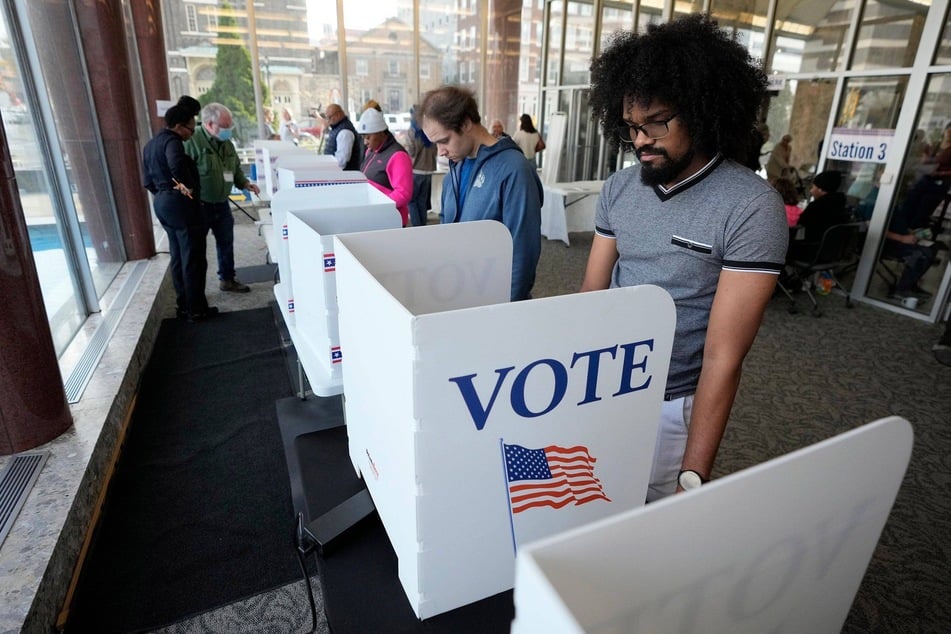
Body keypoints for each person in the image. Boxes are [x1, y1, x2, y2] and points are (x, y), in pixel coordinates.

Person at [581, 15, 788, 501]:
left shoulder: (751, 207)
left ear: (703, 110)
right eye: (632, 126)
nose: (641, 141)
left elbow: (723, 357)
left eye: (658, 123)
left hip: (673, 402)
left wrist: (693, 476)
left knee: (651, 527)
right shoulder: (619, 188)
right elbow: (591, 295)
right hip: (600, 385)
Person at [420, 85, 543, 301]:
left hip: (495, 302)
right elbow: (446, 225)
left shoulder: (514, 169)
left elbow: (523, 250)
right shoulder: (456, 167)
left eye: (444, 140)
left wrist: (506, 309)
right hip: (458, 294)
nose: (440, 151)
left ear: (466, 124)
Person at [142, 104, 216, 321]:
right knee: (193, 256)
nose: (191, 133)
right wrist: (187, 189)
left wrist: (165, 192)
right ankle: (197, 309)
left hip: (162, 203)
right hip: (180, 204)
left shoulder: (150, 145)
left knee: (178, 255)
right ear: (178, 126)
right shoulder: (172, 142)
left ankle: (183, 305)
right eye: (191, 129)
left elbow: (147, 181)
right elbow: (177, 166)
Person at [184, 102, 261, 293]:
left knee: (226, 243)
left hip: (222, 204)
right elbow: (180, 175)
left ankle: (227, 279)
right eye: (225, 127)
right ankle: (195, 292)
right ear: (210, 125)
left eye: (230, 126)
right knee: (197, 249)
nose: (229, 131)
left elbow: (234, 168)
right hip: (200, 206)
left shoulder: (227, 144)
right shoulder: (191, 142)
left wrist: (244, 183)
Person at [356, 108, 414, 227]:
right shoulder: (371, 151)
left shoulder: (398, 156)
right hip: (374, 217)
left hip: (391, 220)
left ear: (382, 133)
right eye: (363, 137)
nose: (365, 142)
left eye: (368, 137)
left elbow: (403, 194)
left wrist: (379, 206)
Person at [794, 170, 852, 244]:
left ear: (820, 189)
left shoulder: (816, 206)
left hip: (811, 247)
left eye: (812, 187)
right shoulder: (841, 206)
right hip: (830, 249)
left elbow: (800, 223)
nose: (811, 191)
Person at [404, 105, 438, 227]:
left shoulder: (412, 131)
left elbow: (411, 151)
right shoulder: (430, 130)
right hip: (429, 170)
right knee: (422, 200)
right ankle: (423, 224)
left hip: (416, 170)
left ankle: (417, 226)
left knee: (412, 201)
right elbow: (435, 151)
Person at [323, 103, 363, 171]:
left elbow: (341, 161)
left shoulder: (345, 132)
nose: (328, 120)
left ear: (338, 115)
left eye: (329, 117)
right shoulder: (338, 128)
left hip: (343, 175)